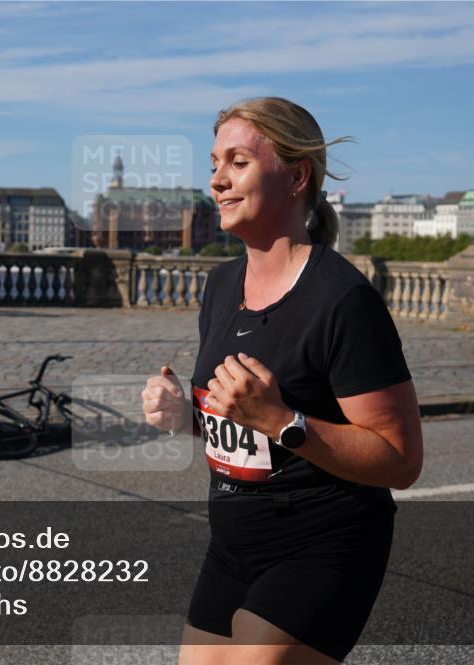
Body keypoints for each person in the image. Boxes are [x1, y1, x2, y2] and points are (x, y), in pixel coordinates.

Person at [141, 97, 424, 664]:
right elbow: (243, 428)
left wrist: (279, 420)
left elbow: (400, 459)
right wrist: (190, 416)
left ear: (296, 177)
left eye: (237, 162)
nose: (218, 181)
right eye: (214, 164)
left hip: (324, 544)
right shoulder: (222, 286)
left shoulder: (343, 300)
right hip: (233, 544)